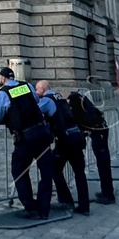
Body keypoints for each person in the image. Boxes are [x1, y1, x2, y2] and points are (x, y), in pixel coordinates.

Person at [0, 66, 58, 220]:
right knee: (46, 172)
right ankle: (44, 208)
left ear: (3, 78)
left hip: (25, 138)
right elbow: (35, 100)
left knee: (19, 170)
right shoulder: (26, 85)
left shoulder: (3, 92)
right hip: (42, 133)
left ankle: (31, 207)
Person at [38, 81, 90, 215]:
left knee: (53, 168)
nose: (37, 93)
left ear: (43, 89)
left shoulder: (47, 100)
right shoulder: (59, 97)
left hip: (65, 141)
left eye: (37, 90)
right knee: (79, 173)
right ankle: (84, 207)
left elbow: (36, 111)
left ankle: (66, 200)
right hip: (77, 137)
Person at [69, 88, 116, 204]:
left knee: (103, 163)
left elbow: (81, 120)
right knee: (103, 163)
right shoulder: (85, 103)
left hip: (98, 133)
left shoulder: (79, 106)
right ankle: (106, 191)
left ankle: (108, 195)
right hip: (100, 131)